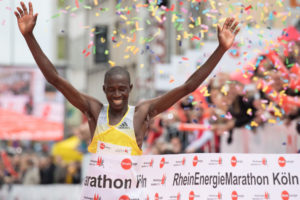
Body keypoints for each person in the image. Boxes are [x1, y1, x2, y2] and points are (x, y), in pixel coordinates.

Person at [14, 2, 240, 156]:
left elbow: (188, 86)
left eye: (122, 89)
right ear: (104, 90)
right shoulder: (94, 111)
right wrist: (29, 36)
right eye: (111, 90)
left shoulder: (142, 112)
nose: (117, 95)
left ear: (130, 88)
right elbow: (55, 79)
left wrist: (220, 49)